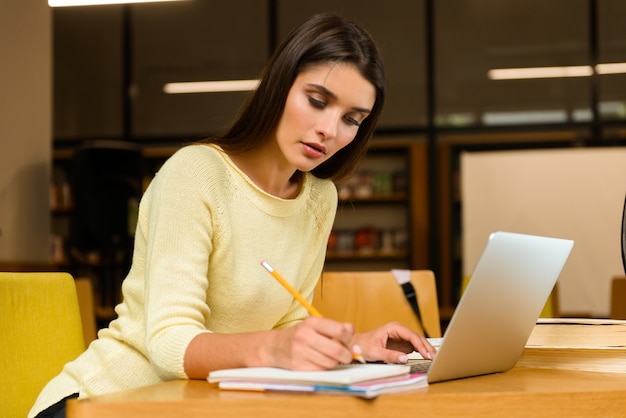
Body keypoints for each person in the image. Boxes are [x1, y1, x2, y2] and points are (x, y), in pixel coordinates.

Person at [30, 13, 435, 418]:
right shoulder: (195, 173)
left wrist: (353, 346)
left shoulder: (318, 199)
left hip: (199, 407)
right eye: (317, 101)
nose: (330, 129)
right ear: (279, 87)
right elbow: (170, 343)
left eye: (352, 120)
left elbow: (286, 324)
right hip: (101, 403)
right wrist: (275, 349)